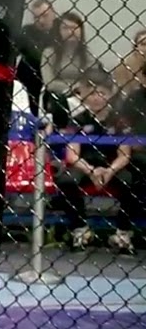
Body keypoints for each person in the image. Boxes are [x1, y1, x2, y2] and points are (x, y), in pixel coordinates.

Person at [52, 81, 141, 252]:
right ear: (85, 96)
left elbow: (124, 155)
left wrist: (109, 171)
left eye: (101, 93)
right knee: (65, 180)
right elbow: (72, 156)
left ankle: (122, 232)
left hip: (111, 166)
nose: (96, 98)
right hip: (85, 166)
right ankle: (80, 229)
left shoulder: (119, 122)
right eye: (92, 93)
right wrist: (91, 170)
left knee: (132, 180)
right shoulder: (77, 120)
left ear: (109, 96)